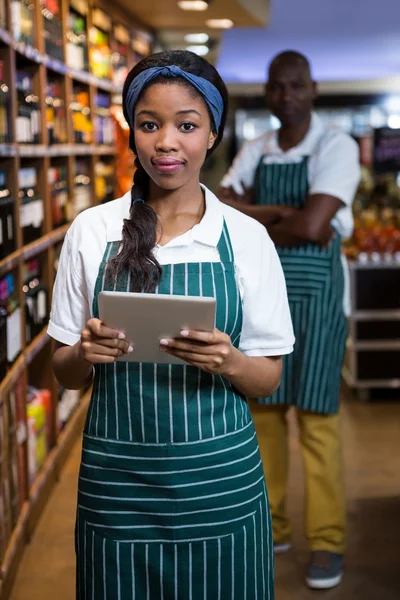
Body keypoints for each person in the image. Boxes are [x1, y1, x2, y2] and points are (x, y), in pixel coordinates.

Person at [48, 50, 295, 599]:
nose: (166, 142)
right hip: (118, 491)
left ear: (211, 134)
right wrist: (84, 352)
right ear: (132, 133)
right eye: (149, 124)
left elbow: (268, 378)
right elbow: (61, 373)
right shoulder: (92, 231)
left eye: (187, 125)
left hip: (219, 488)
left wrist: (229, 360)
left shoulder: (246, 238)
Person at [218, 50, 361, 591]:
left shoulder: (335, 145)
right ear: (269, 93)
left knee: (319, 422)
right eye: (276, 88)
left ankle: (327, 540)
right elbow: (224, 210)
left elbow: (317, 224)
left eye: (296, 86)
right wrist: (287, 215)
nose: (286, 96)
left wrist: (262, 215)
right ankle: (272, 524)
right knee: (267, 417)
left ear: (313, 89)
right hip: (263, 296)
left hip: (320, 301)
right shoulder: (255, 147)